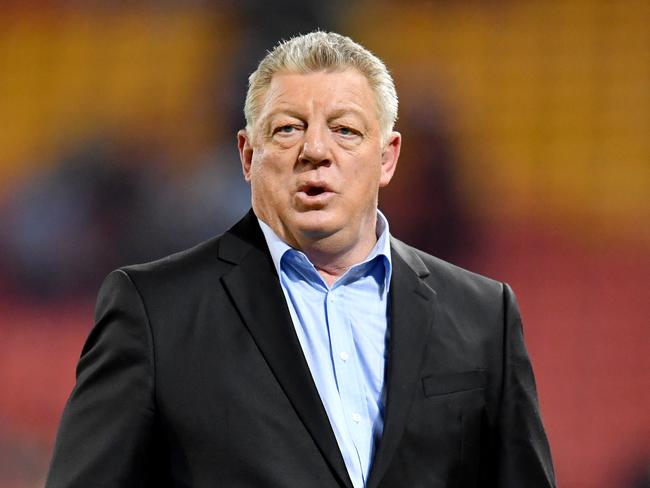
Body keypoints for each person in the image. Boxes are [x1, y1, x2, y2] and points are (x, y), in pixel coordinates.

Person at [45, 31, 555, 488]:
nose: (315, 149)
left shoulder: (484, 315)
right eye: (288, 129)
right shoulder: (154, 312)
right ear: (247, 155)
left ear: (388, 157)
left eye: (346, 130)